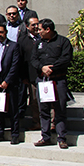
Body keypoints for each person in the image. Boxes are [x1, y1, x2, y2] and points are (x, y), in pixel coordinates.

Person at [31, 18, 74, 149]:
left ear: (48, 29)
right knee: (43, 110)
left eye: (40, 29)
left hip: (58, 80)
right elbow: (33, 59)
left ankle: (62, 138)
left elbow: (66, 58)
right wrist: (42, 68)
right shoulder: (38, 43)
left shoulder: (63, 42)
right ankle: (46, 137)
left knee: (60, 109)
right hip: (43, 81)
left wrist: (52, 68)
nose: (38, 32)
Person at [0, 24, 21, 144]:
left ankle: (15, 134)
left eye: (1, 32)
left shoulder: (14, 46)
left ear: (6, 32)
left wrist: (7, 81)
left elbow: (15, 65)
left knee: (13, 110)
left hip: (9, 82)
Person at [17, 17, 42, 130]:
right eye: (33, 25)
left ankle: (52, 123)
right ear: (27, 27)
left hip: (46, 75)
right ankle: (37, 122)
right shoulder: (22, 40)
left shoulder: (44, 38)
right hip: (31, 76)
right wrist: (23, 76)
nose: (36, 27)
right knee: (34, 101)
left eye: (37, 24)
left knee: (49, 100)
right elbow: (20, 60)